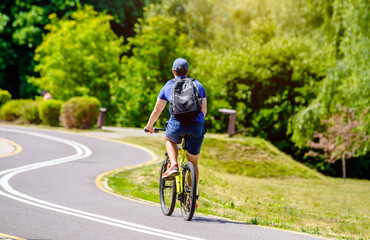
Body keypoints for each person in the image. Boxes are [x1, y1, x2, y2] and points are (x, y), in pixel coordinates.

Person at [144, 58, 207, 184]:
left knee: (170, 138)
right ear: (187, 71)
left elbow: (157, 110)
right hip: (196, 126)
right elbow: (203, 111)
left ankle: (173, 164)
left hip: (176, 124)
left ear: (173, 71)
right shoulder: (198, 85)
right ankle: (191, 199)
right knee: (193, 162)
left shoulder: (168, 85)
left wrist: (149, 126)